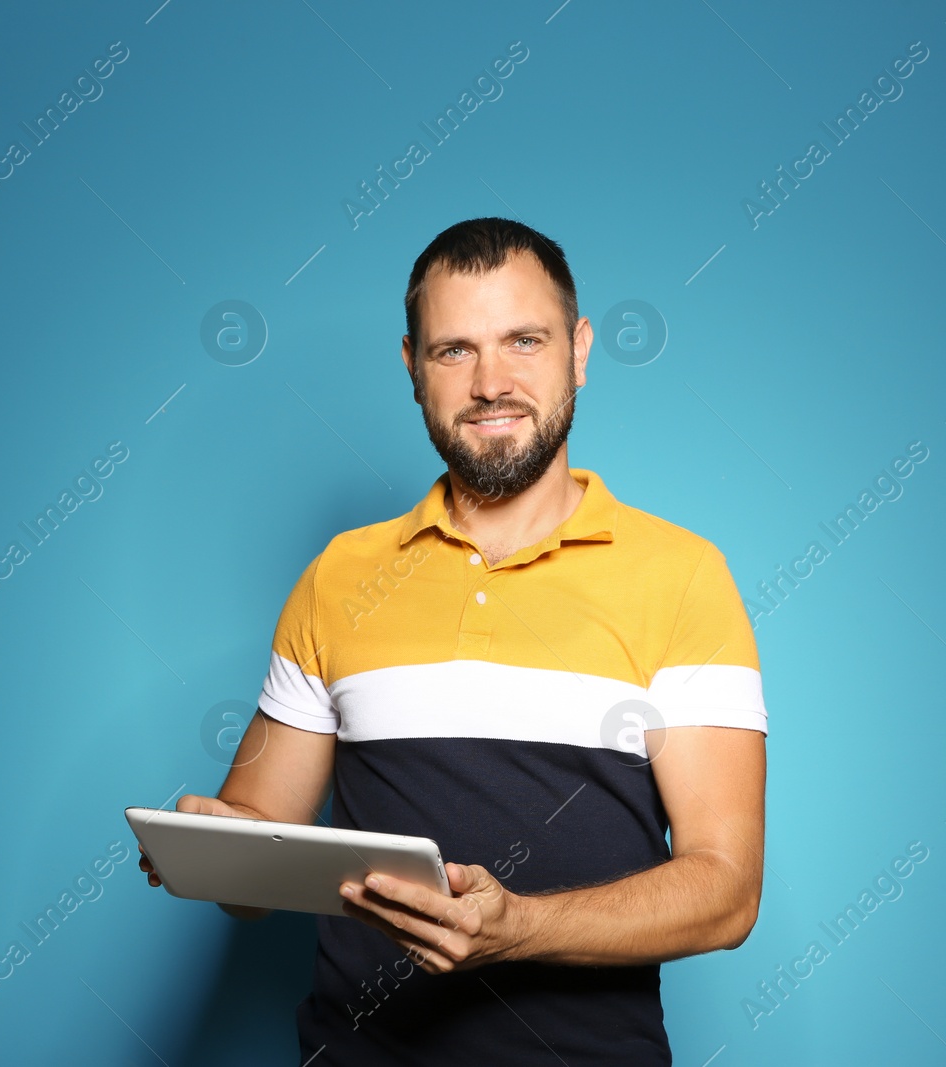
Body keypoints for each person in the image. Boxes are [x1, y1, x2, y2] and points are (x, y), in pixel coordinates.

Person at [140, 217, 768, 1064]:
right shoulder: (339, 574)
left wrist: (520, 928)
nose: (491, 382)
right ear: (412, 368)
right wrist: (215, 848)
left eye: (524, 341)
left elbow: (726, 891)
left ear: (579, 351)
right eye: (454, 351)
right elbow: (256, 857)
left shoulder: (684, 576)